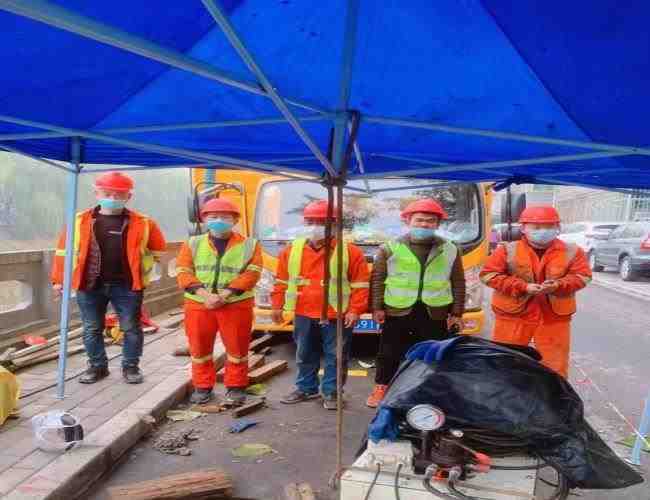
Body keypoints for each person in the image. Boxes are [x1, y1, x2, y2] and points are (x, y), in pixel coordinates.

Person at [50, 172, 166, 384]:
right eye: (107, 193)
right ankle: (97, 367)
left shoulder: (143, 222)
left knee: (131, 327)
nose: (113, 198)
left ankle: (131, 367)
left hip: (127, 285)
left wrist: (143, 266)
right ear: (97, 193)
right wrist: (59, 281)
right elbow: (63, 253)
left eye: (119, 194)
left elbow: (158, 247)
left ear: (128, 197)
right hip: (89, 284)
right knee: (92, 328)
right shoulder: (79, 221)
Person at [366, 198, 466, 408]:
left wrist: (457, 312)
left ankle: (429, 389)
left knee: (432, 353)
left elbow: (458, 281)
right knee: (389, 352)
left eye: (430, 221)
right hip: (397, 309)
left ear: (438, 224)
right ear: (408, 221)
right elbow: (377, 279)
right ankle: (381, 387)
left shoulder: (450, 249)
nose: (424, 225)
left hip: (435, 311)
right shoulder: (389, 248)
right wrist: (376, 308)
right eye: (419, 220)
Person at [271, 200, 370, 410]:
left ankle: (332, 393)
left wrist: (355, 309)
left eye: (322, 222)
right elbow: (280, 281)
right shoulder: (291, 250)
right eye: (311, 221)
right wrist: (277, 306)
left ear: (334, 225)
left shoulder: (350, 252)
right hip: (303, 312)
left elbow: (360, 285)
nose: (316, 226)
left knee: (336, 356)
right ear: (305, 223)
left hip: (337, 314)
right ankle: (306, 388)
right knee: (304, 353)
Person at [480, 206, 591, 378]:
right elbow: (488, 275)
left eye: (549, 227)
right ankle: (506, 400)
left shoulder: (573, 251)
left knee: (554, 367)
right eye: (536, 227)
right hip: (513, 317)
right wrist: (522, 287)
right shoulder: (507, 250)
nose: (543, 231)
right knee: (506, 363)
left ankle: (552, 400)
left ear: (557, 228)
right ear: (523, 228)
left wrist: (558, 285)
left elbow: (583, 277)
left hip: (553, 318)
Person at [176, 198, 262, 406]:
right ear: (204, 220)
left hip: (235, 304)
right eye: (213, 217)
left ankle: (236, 387)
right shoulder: (192, 243)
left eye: (225, 217)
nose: (219, 221)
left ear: (235, 220)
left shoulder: (250, 245)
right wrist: (207, 296)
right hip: (198, 304)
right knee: (199, 348)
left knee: (237, 348)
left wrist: (223, 296)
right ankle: (202, 387)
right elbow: (183, 271)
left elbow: (253, 273)